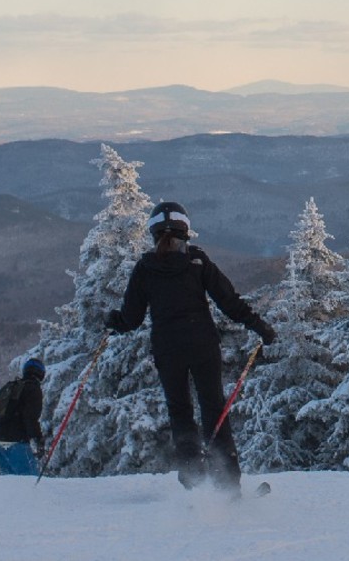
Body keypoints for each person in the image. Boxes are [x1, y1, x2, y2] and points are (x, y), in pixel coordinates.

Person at [105, 201, 276, 495]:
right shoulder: (197, 263)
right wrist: (259, 326)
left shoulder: (145, 269)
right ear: (186, 230)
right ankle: (227, 486)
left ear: (153, 232)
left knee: (180, 413)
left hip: (168, 351)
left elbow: (131, 319)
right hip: (202, 346)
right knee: (213, 410)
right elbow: (229, 301)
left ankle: (194, 484)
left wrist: (113, 321)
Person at [0, 358, 46, 475]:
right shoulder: (33, 389)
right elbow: (30, 418)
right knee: (28, 481)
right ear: (41, 373)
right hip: (16, 441)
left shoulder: (11, 386)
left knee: (9, 483)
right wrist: (39, 440)